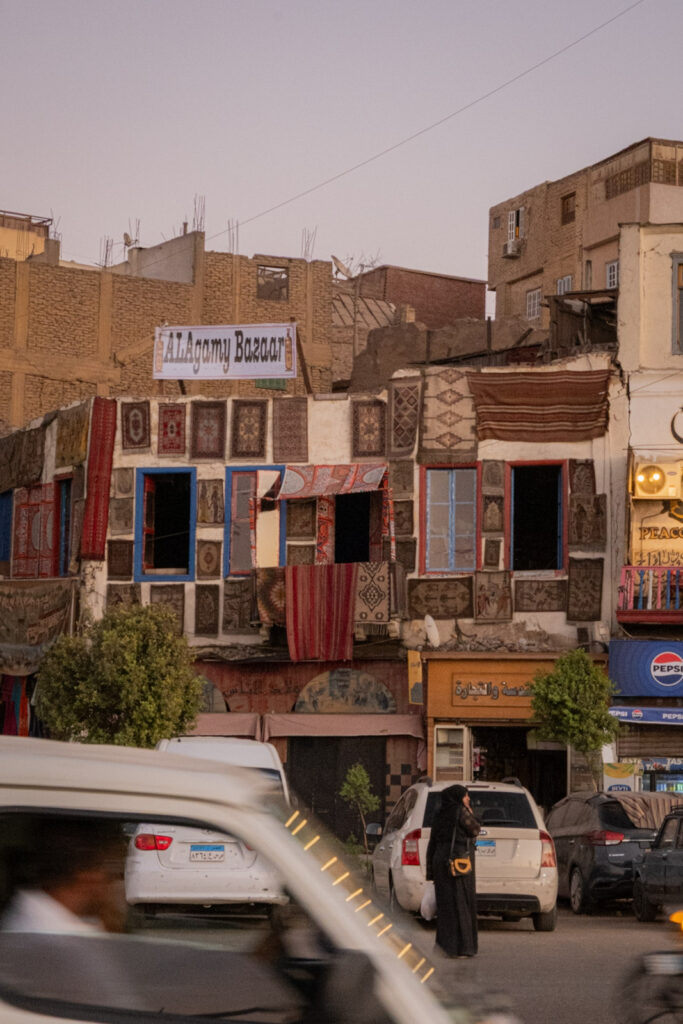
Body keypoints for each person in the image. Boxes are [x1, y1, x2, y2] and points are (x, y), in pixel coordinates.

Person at [1, 815, 127, 934]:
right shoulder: (63, 936)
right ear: (88, 874)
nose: (115, 881)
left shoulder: (23, 914)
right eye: (112, 871)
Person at [426, 784, 481, 959]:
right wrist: (470, 812)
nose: (468, 799)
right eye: (466, 796)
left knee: (445, 906)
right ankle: (463, 947)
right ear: (458, 798)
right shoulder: (460, 811)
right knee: (461, 903)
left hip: (440, 862)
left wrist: (430, 871)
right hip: (458, 862)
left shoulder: (439, 814)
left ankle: (445, 946)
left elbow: (432, 843)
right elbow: (475, 829)